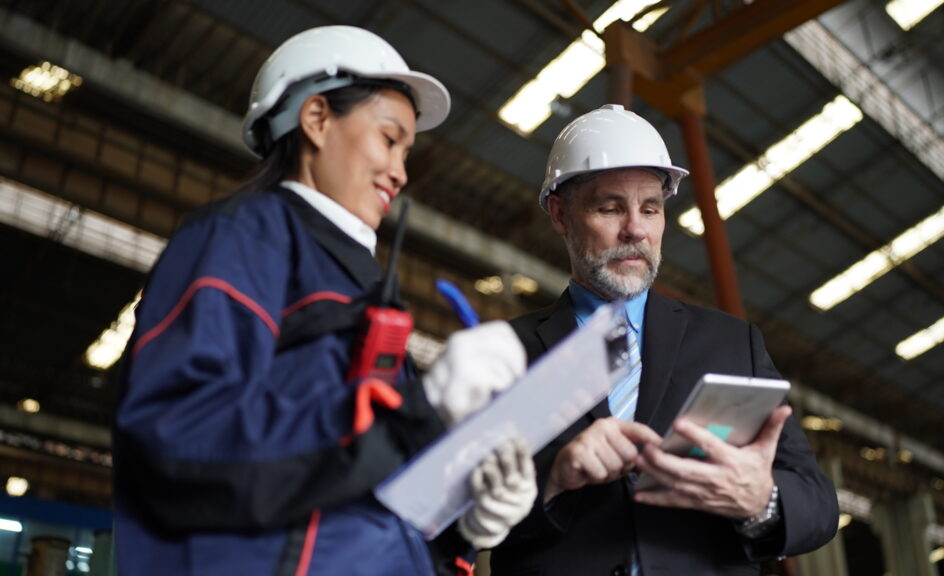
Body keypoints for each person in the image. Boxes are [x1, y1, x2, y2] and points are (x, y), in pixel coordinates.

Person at [113, 26, 536, 576]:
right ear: (316, 119)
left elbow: (365, 496)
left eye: (407, 152)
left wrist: (463, 513)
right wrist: (415, 416)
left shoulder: (362, 291)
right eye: (389, 139)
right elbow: (178, 440)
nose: (401, 172)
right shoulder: (244, 237)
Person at [488, 104, 839, 576]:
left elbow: (818, 504)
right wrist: (552, 479)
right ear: (559, 214)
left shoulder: (733, 345)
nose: (635, 229)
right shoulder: (504, 355)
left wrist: (763, 500)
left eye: (650, 208)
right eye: (610, 207)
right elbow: (453, 513)